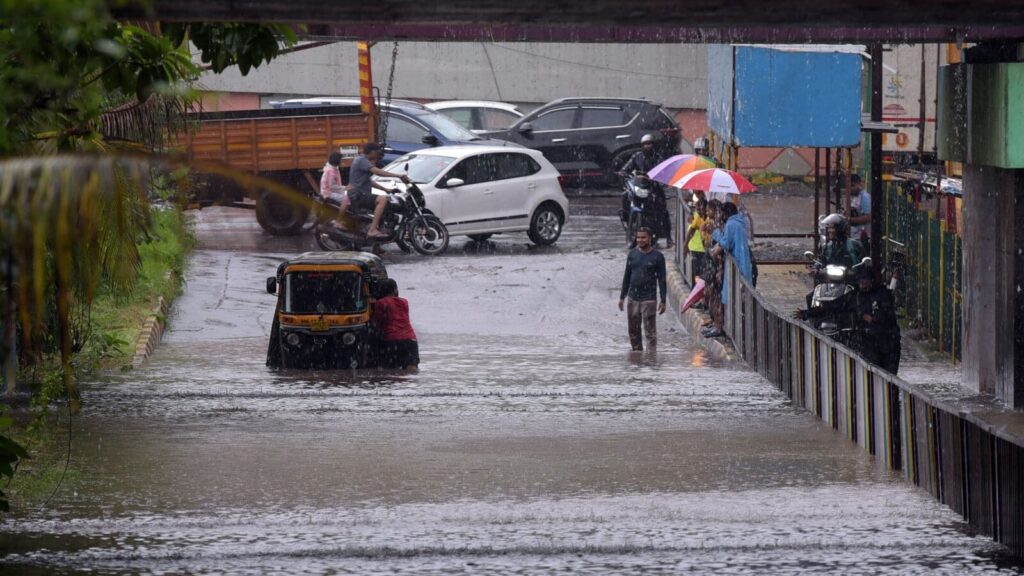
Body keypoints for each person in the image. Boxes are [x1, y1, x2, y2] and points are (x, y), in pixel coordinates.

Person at [795, 266, 900, 375]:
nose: (863, 284)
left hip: (889, 343)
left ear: (871, 281)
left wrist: (873, 318)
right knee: (873, 375)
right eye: (861, 281)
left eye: (866, 281)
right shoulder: (855, 296)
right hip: (869, 343)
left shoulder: (882, 294)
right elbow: (832, 306)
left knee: (890, 377)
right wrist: (807, 313)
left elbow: (886, 312)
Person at [705, 201, 752, 338]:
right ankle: (732, 330)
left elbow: (725, 242)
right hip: (741, 265)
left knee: (729, 297)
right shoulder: (739, 223)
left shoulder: (731, 224)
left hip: (736, 267)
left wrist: (714, 232)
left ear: (724, 213)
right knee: (736, 297)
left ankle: (727, 329)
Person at [620, 134, 674, 248]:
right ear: (642, 145)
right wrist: (623, 172)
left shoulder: (658, 158)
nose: (647, 146)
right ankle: (626, 218)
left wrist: (654, 179)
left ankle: (668, 237)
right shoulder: (637, 156)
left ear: (653, 145)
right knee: (625, 195)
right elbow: (626, 168)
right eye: (645, 144)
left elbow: (663, 172)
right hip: (640, 186)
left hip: (653, 187)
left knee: (663, 208)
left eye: (649, 144)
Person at [618, 228, 667, 351]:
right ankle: (637, 358)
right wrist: (622, 297)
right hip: (633, 298)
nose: (640, 240)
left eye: (643, 237)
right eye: (638, 237)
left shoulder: (658, 257)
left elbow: (662, 280)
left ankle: (651, 360)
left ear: (650, 238)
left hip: (649, 299)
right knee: (633, 332)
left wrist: (663, 300)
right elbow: (627, 276)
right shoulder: (632, 254)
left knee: (650, 333)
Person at [349, 142, 410, 238]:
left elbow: (369, 181)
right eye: (376, 152)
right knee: (382, 199)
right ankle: (372, 230)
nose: (377, 155)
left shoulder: (360, 159)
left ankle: (377, 241)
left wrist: (386, 189)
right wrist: (398, 176)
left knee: (384, 209)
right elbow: (378, 172)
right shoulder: (362, 160)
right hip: (358, 195)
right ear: (372, 151)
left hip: (358, 194)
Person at [373, 278, 419, 370]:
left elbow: (377, 322)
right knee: (411, 370)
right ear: (395, 289)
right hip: (410, 339)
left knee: (391, 372)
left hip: (392, 340)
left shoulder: (381, 303)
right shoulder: (404, 302)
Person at [683, 197, 708, 285]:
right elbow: (692, 230)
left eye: (700, 208)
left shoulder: (709, 219)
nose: (698, 211)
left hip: (704, 250)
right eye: (697, 209)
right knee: (697, 274)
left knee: (702, 274)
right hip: (697, 248)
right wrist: (685, 246)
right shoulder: (698, 216)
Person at [848, 174, 871, 245]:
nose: (849, 189)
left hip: (861, 238)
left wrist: (850, 220)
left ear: (857, 184)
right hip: (853, 236)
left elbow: (869, 217)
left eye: (851, 186)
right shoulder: (854, 197)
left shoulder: (865, 197)